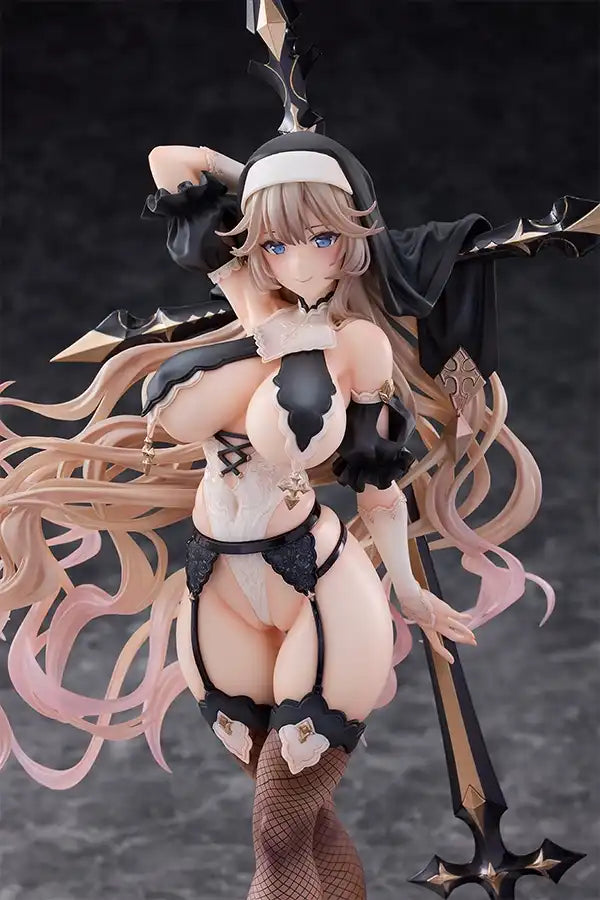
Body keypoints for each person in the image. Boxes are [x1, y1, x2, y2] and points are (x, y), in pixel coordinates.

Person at [0, 129, 563, 899]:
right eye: (277, 242)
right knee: (303, 825)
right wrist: (267, 181)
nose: (299, 261)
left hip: (316, 582)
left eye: (323, 238)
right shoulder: (242, 293)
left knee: (277, 826)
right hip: (214, 582)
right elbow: (170, 162)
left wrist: (407, 588)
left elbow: (375, 481)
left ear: (353, 240)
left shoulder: (357, 345)